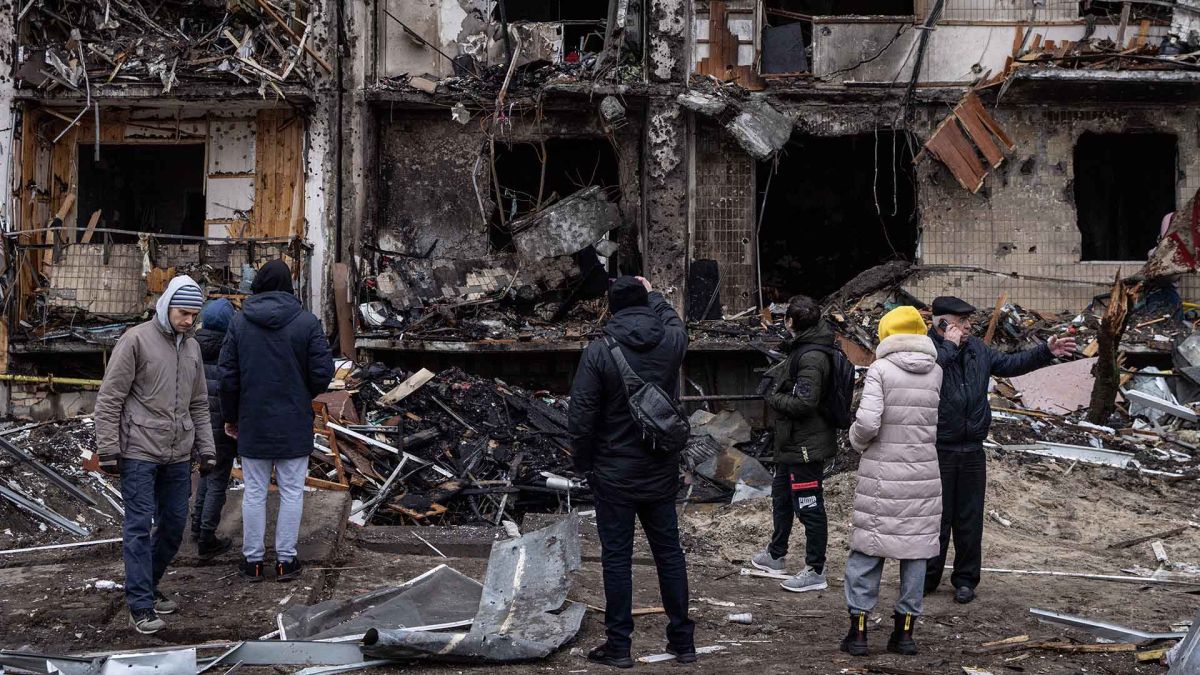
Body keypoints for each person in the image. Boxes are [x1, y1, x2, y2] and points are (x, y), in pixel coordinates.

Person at [568, 276, 696, 669]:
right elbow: (674, 321)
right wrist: (654, 293)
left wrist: (583, 465)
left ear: (612, 307)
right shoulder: (671, 342)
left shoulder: (599, 350)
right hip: (660, 469)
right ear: (646, 301)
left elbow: (581, 416)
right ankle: (683, 642)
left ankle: (619, 646)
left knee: (617, 558)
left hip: (613, 472)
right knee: (669, 554)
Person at [923, 296, 1076, 604]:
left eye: (968, 321)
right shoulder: (926, 351)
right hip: (938, 449)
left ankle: (965, 580)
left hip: (972, 450)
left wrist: (1046, 351)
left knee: (969, 519)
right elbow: (929, 376)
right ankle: (926, 578)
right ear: (942, 324)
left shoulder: (977, 349)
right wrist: (949, 347)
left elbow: (1009, 364)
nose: (968, 327)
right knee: (935, 518)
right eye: (961, 322)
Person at [94, 275, 216, 634]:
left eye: (194, 315)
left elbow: (199, 403)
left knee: (175, 525)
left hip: (178, 454)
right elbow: (110, 398)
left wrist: (207, 449)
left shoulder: (192, 348)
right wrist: (108, 449)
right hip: (139, 451)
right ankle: (140, 604)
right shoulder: (136, 340)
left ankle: (148, 584)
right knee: (137, 526)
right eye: (183, 313)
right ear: (166, 307)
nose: (189, 321)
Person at [219, 259, 334, 583]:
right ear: (288, 285)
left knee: (254, 492)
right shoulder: (306, 322)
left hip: (252, 420)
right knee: (292, 492)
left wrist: (231, 416)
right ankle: (286, 561)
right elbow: (323, 372)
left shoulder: (239, 323)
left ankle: (253, 562)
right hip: (293, 420)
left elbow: (228, 377)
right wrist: (300, 391)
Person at [841, 306, 943, 657]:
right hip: (924, 476)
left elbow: (869, 423)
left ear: (886, 333)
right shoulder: (936, 371)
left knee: (868, 549)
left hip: (884, 474)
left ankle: (858, 634)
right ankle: (905, 635)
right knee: (915, 552)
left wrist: (855, 441)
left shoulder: (880, 369)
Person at [750, 295, 835, 593]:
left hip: (806, 446)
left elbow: (805, 402)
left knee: (809, 506)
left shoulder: (812, 357)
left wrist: (773, 398)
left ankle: (816, 569)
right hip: (793, 442)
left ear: (790, 322)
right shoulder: (803, 347)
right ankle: (776, 555)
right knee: (782, 497)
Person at [191, 298, 237, 560]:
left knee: (205, 473)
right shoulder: (229, 351)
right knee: (218, 479)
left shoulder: (191, 347)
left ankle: (197, 526)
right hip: (221, 425)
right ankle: (207, 537)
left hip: (197, 425)